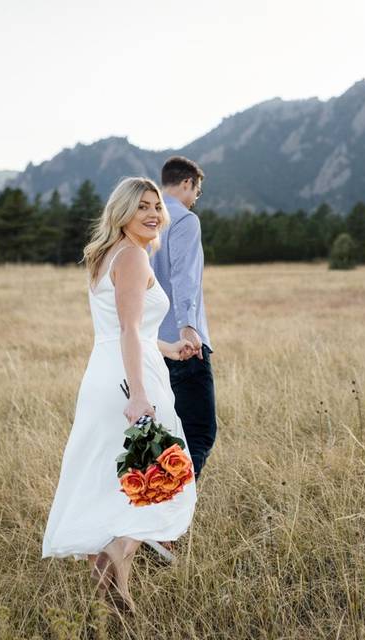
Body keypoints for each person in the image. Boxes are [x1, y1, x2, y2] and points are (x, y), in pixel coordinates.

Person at [41, 177, 197, 614]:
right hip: (131, 381)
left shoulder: (110, 254)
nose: (152, 213)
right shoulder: (130, 256)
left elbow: (128, 330)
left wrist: (169, 348)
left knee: (114, 482)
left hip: (107, 372)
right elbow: (129, 329)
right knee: (162, 481)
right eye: (142, 206)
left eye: (156, 206)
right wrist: (140, 395)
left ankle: (117, 599)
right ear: (122, 213)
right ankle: (117, 550)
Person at [151, 156, 217, 483]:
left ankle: (148, 510)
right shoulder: (184, 220)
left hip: (148, 346)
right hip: (182, 346)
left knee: (157, 436)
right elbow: (184, 276)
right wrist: (188, 326)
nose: (195, 199)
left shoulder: (141, 220)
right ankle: (167, 513)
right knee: (198, 432)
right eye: (197, 192)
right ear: (187, 183)